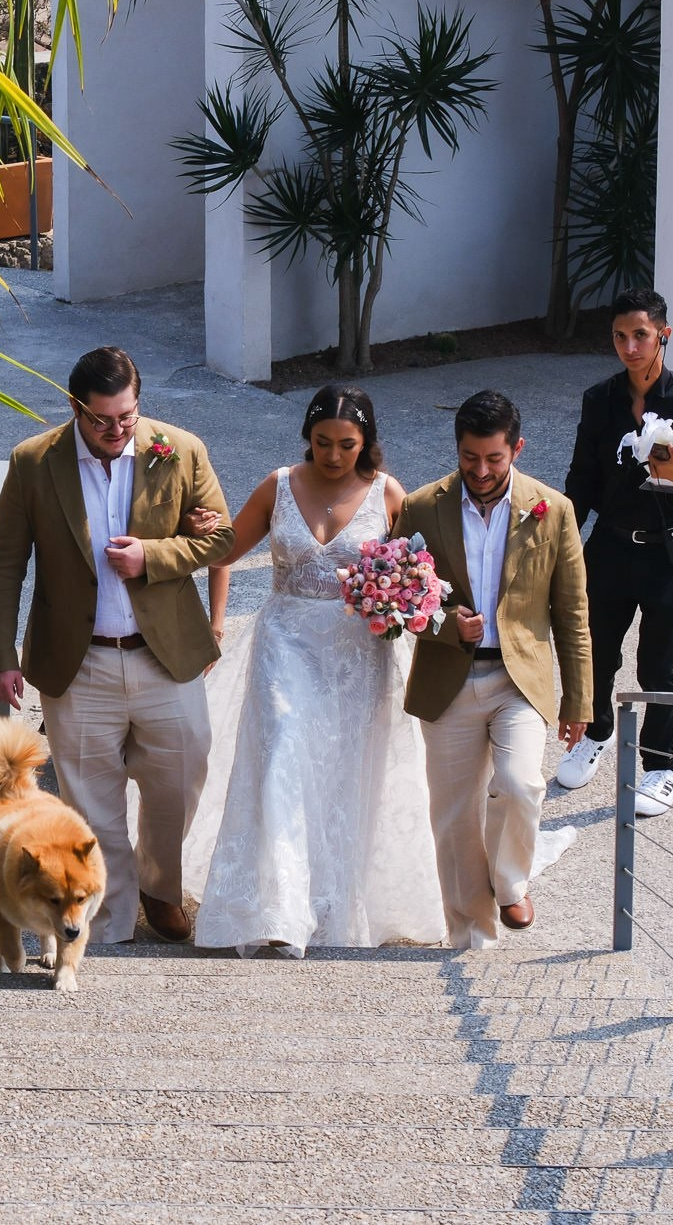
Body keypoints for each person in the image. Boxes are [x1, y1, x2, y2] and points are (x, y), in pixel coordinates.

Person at [179, 386, 445, 955]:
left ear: (365, 442)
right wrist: (198, 532)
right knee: (281, 756)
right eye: (321, 442)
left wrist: (406, 603)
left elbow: (417, 574)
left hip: (356, 655)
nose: (331, 455)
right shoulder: (279, 485)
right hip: (284, 644)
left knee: (346, 772)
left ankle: (333, 900)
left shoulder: (388, 494)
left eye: (346, 445)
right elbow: (226, 550)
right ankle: (278, 907)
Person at [0, 347, 234, 944]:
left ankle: (159, 886)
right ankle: (114, 919)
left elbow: (221, 537)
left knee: (181, 776)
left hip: (166, 655)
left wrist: (156, 556)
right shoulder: (33, 461)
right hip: (77, 659)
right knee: (90, 799)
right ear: (74, 407)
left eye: (128, 416)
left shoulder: (181, 448)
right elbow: (4, 561)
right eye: (103, 420)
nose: (119, 430)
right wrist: (0, 657)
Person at [404, 391, 592, 949]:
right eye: (469, 458)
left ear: (517, 449)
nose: (480, 471)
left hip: (521, 681)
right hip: (447, 681)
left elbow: (573, 613)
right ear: (457, 449)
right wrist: (444, 625)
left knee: (519, 784)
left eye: (493, 459)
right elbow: (396, 602)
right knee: (454, 814)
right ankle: (470, 935)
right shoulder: (419, 508)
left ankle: (511, 884)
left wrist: (580, 700)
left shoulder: (553, 510)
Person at [558, 288, 673, 816]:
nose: (630, 346)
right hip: (610, 548)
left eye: (640, 335)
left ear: (664, 333)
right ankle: (595, 733)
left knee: (657, 663)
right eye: (620, 336)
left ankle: (661, 767)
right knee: (597, 651)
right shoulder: (601, 399)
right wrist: (562, 537)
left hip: (666, 551)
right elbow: (582, 479)